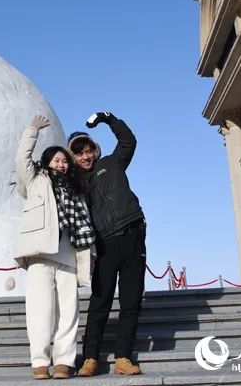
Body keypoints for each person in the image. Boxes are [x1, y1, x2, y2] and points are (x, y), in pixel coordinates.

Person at [14, 115, 95, 380]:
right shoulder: (36, 180)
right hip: (41, 253)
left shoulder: (76, 188)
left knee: (69, 312)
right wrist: (32, 129)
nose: (60, 164)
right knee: (41, 310)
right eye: (56, 160)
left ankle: (64, 361)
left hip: (70, 254)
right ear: (47, 161)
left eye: (64, 161)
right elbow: (21, 159)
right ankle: (39, 361)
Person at [68, 111, 145, 377]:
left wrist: (108, 118)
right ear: (73, 158)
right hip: (104, 245)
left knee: (131, 301)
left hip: (133, 234)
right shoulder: (74, 183)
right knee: (100, 302)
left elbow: (128, 141)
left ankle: (123, 357)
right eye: (79, 154)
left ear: (95, 151)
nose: (86, 156)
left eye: (89, 150)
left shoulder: (112, 163)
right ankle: (90, 358)